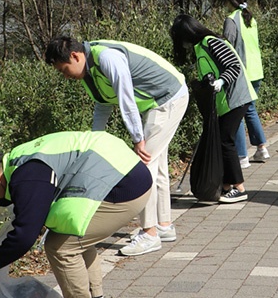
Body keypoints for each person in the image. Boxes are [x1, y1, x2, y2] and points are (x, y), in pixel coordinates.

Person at [0, 131, 153, 298]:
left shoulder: (27, 174)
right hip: (126, 174)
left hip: (124, 187)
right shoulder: (19, 160)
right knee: (74, 234)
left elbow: (24, 237)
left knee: (61, 247)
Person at [45, 37, 188, 256]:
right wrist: (94, 142)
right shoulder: (89, 71)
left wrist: (137, 138)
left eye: (64, 70)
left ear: (75, 56)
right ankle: (164, 225)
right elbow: (103, 103)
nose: (65, 76)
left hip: (168, 98)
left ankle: (149, 234)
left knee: (144, 164)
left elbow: (125, 98)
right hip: (156, 103)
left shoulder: (107, 58)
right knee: (156, 164)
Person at [170, 14, 257, 203]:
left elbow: (234, 66)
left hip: (236, 98)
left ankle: (239, 188)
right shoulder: (199, 48)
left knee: (226, 141)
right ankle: (226, 186)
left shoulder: (211, 42)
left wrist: (221, 81)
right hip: (224, 102)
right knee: (220, 140)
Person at [215, 0, 270, 169]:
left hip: (241, 72)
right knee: (250, 110)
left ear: (229, 2)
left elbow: (227, 46)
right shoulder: (250, 17)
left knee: (236, 112)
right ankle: (262, 148)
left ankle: (241, 156)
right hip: (256, 70)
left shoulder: (231, 19)